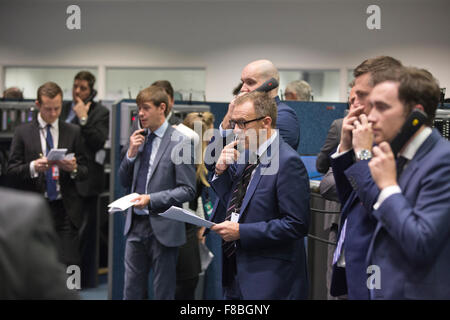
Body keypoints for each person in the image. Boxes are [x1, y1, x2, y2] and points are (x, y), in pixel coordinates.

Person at [210, 91, 310, 300]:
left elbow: (296, 224)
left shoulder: (287, 161)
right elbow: (234, 199)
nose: (236, 131)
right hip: (235, 268)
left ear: (265, 123)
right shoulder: (245, 153)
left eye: (243, 124)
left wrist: (241, 232)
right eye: (234, 123)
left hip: (269, 278)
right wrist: (220, 171)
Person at [362, 67, 450, 299]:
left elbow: (421, 243)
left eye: (382, 107)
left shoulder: (443, 161)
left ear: (415, 115)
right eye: (371, 106)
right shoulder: (399, 156)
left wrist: (389, 187)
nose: (371, 117)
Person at [329, 56, 403, 299]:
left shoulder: (396, 147)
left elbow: (378, 207)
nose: (355, 106)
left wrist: (361, 154)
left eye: (362, 96)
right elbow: (348, 198)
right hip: (352, 264)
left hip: (378, 270)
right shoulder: (368, 139)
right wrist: (345, 147)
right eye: (352, 99)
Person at [118, 85, 196, 300]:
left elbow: (188, 190)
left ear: (162, 108)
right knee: (131, 290)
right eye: (138, 109)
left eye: (145, 108)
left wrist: (151, 199)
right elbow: (123, 180)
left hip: (164, 226)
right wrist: (131, 154)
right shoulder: (137, 139)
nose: (140, 114)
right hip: (135, 225)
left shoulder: (180, 142)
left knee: (163, 292)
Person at [7, 81, 88, 266]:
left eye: (57, 109)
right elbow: (11, 171)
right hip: (34, 208)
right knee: (34, 265)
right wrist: (34, 167)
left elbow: (85, 171)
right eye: (48, 109)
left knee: (70, 265)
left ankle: (70, 294)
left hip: (65, 208)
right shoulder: (23, 132)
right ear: (38, 105)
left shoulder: (73, 131)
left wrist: (73, 168)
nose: (53, 114)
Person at [60, 70, 109, 288]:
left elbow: (98, 141)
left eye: (83, 88)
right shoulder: (61, 109)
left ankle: (76, 285)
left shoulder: (100, 112)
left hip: (86, 183)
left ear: (92, 90)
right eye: (75, 86)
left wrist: (83, 118)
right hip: (61, 182)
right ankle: (62, 282)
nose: (78, 91)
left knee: (80, 239)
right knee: (63, 238)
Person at [0, 187, 79, 299]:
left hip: (64, 206)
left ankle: (75, 285)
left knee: (70, 257)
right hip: (39, 203)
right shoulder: (21, 213)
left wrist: (74, 169)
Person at [175, 111, 215, 300]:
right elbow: (184, 198)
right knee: (186, 281)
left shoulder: (198, 161)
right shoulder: (183, 158)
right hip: (179, 226)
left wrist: (200, 225)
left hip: (190, 225)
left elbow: (195, 198)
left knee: (190, 279)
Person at [220, 59, 300, 151]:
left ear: (270, 84)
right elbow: (212, 160)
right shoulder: (245, 115)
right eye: (243, 82)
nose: (242, 88)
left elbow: (270, 159)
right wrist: (229, 116)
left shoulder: (283, 115)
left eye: (250, 82)